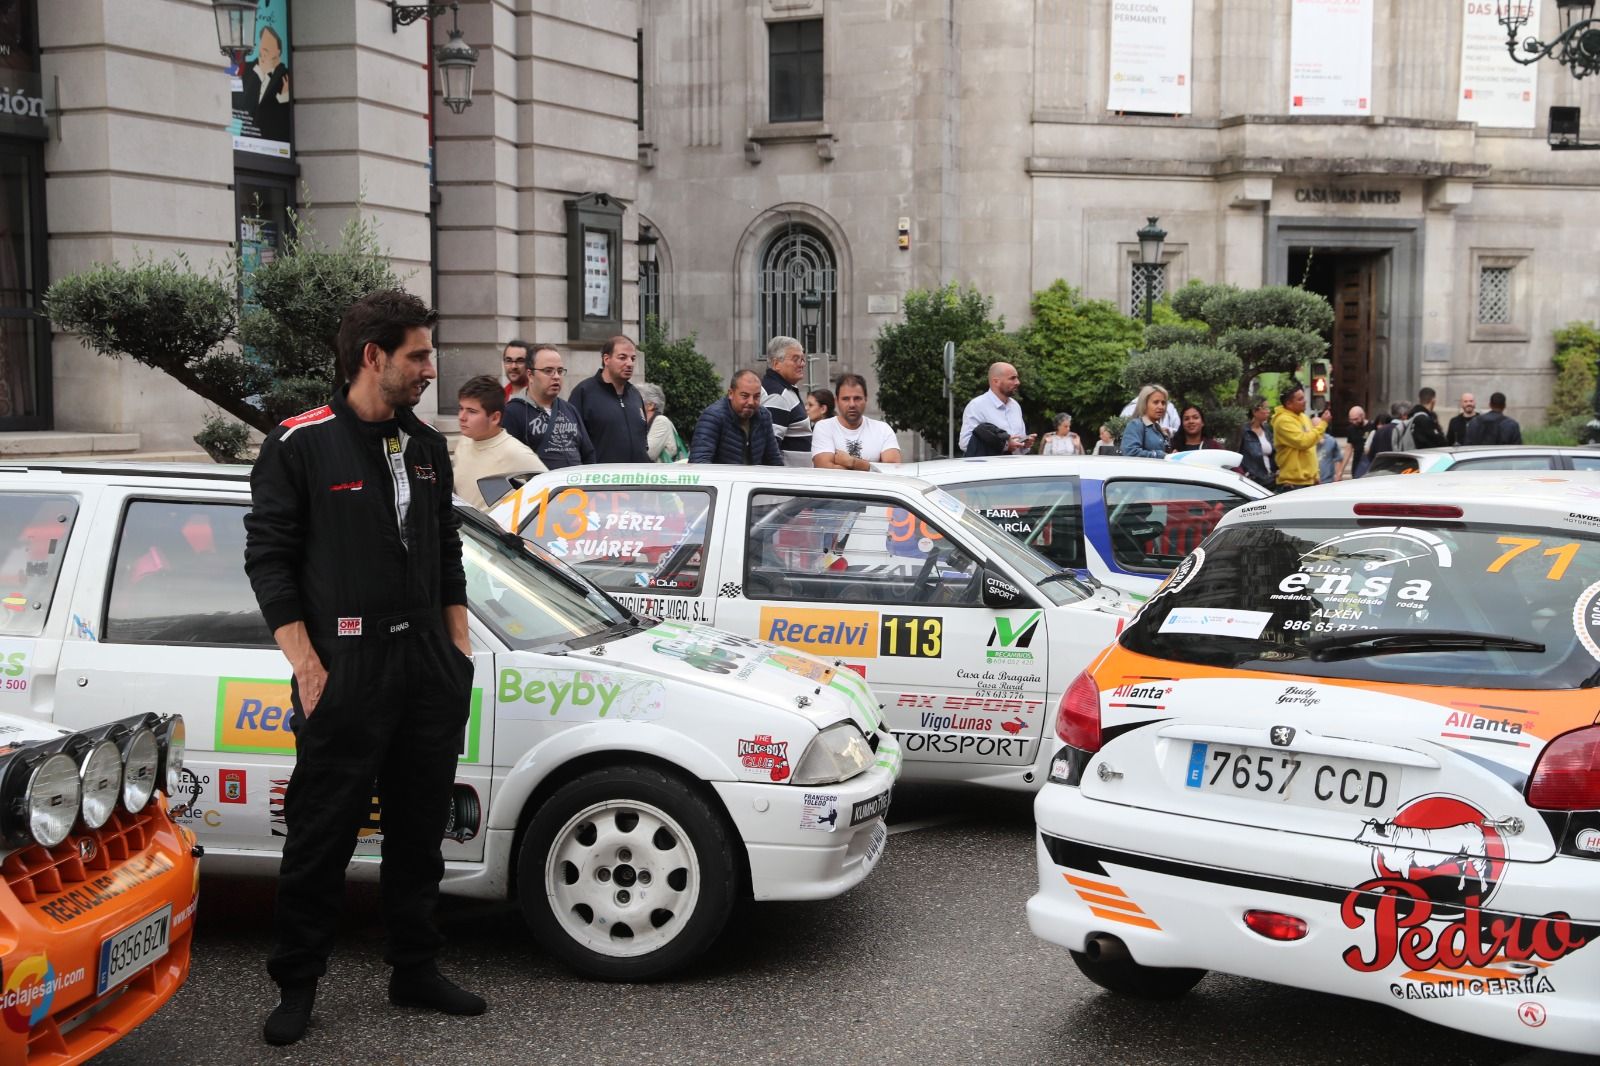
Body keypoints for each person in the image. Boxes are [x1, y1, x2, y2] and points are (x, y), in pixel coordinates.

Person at [243, 290, 485, 1047]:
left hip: (424, 667)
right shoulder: (299, 442)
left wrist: (458, 645)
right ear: (372, 356)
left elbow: (446, 550)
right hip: (344, 669)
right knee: (322, 833)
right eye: (416, 355)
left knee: (419, 831)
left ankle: (414, 969)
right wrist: (309, 669)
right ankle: (297, 984)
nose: (429, 368)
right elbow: (268, 560)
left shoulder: (425, 445)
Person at [451, 375, 546, 510]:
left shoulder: (515, 452)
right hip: (467, 528)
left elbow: (553, 490)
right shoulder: (464, 442)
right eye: (461, 408)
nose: (462, 417)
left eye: (472, 411)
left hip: (496, 531)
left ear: (495, 418)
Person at [502, 344, 594, 469]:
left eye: (560, 371)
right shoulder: (513, 412)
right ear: (530, 375)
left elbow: (588, 455)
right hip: (542, 487)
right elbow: (508, 462)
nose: (556, 376)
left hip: (576, 486)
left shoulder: (570, 409)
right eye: (548, 371)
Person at [568, 335, 648, 463]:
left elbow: (643, 440)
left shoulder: (635, 394)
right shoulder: (584, 392)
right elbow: (572, 442)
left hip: (636, 477)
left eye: (633, 358)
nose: (629, 363)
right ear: (606, 359)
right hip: (601, 479)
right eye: (622, 358)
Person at [691, 370, 784, 465]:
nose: (751, 402)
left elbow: (774, 460)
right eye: (745, 396)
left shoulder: (764, 416)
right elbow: (699, 463)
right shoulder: (713, 417)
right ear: (731, 393)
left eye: (756, 397)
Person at [811, 373, 902, 469]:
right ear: (836, 401)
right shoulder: (824, 427)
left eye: (857, 398)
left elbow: (893, 470)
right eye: (845, 399)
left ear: (866, 399)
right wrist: (872, 468)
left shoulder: (882, 429)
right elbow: (826, 469)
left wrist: (853, 462)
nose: (852, 404)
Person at [959, 362, 1033, 456]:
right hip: (990, 468)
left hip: (1016, 467)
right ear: (996, 381)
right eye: (1012, 378)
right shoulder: (977, 406)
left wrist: (1024, 444)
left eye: (1017, 378)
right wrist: (1005, 445)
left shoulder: (1015, 405)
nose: (1018, 382)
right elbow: (966, 444)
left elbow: (1017, 441)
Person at [760, 336, 813, 466]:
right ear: (776, 363)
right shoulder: (778, 396)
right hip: (788, 481)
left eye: (802, 359)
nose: (802, 364)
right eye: (796, 359)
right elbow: (770, 450)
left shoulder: (784, 391)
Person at [1271, 382, 1330, 491]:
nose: (1305, 401)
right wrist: (1323, 424)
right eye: (1300, 399)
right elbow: (1304, 442)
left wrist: (1315, 475)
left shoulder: (1304, 417)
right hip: (1292, 484)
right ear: (1289, 403)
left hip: (1309, 482)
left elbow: (1311, 448)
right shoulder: (1282, 420)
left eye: (1304, 398)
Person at [239, 25, 291, 144]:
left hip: (272, 145)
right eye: (262, 46)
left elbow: (286, 119)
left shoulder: (285, 76)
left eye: (268, 46)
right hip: (247, 143)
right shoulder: (248, 69)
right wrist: (259, 76)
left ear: (278, 51)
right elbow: (239, 104)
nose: (263, 51)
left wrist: (283, 97)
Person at [638, 382, 685, 462]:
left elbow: (647, 454)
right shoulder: (646, 423)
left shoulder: (661, 421)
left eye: (636, 400)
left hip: (662, 473)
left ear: (650, 405)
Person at [1120, 384, 1171, 458]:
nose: (1161, 406)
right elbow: (1130, 452)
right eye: (1156, 402)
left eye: (1163, 403)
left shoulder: (1157, 428)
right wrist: (1158, 454)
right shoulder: (1135, 425)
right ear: (1144, 404)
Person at [1236, 396, 1275, 489]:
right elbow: (1236, 455)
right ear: (1254, 411)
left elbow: (1273, 453)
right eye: (1265, 408)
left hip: (1270, 480)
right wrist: (1244, 474)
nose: (1268, 411)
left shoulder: (1267, 430)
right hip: (1253, 481)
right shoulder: (1243, 431)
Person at [1342, 405, 1371, 479]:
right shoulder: (1350, 429)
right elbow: (1348, 449)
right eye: (1351, 420)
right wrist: (1341, 471)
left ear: (1363, 416)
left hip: (1370, 463)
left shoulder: (1372, 427)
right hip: (1357, 465)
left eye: (1356, 419)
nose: (1354, 422)